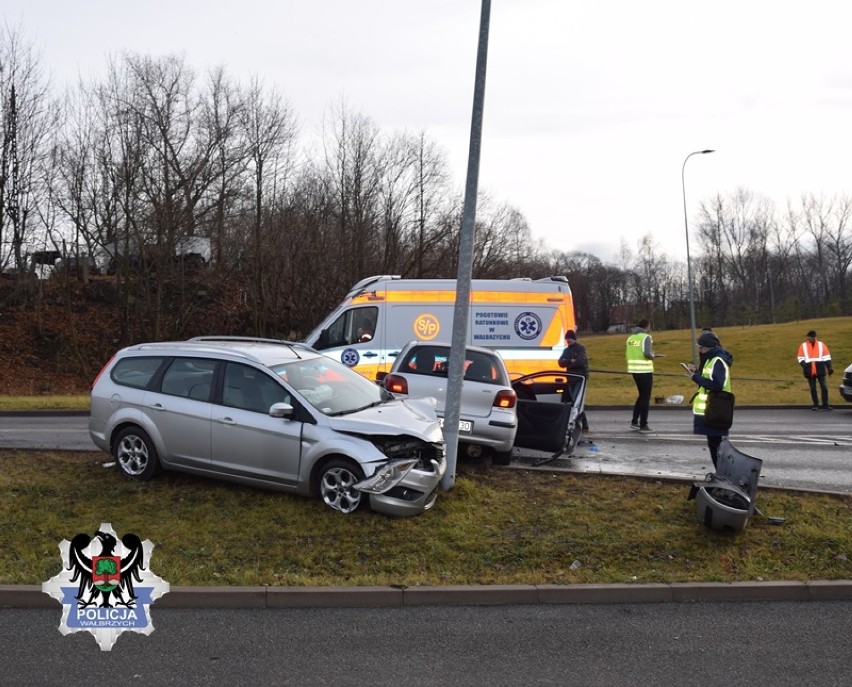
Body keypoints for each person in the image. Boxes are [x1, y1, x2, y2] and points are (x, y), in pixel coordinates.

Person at [685, 330, 734, 469]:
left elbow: (717, 385)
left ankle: (723, 478)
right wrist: (696, 373)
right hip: (713, 409)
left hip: (716, 409)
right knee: (715, 446)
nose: (699, 350)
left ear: (708, 347)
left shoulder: (717, 361)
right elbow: (709, 379)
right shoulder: (711, 360)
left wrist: (696, 378)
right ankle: (721, 476)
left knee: (717, 448)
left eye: (701, 347)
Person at [625, 318, 660, 432]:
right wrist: (653, 356)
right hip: (644, 370)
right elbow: (647, 353)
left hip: (634, 370)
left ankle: (634, 421)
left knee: (641, 396)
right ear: (647, 326)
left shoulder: (630, 338)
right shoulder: (646, 337)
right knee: (645, 397)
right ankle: (643, 424)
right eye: (650, 326)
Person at [558, 329, 589, 431]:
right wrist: (571, 361)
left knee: (576, 401)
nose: (568, 340)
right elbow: (560, 363)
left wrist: (567, 362)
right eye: (567, 338)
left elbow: (580, 362)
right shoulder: (566, 350)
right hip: (570, 379)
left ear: (574, 338)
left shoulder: (580, 348)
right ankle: (583, 424)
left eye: (570, 338)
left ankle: (580, 424)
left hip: (580, 378)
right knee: (575, 402)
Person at [797, 329, 834, 410]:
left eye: (814, 337)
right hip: (809, 368)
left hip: (820, 368)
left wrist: (829, 368)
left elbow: (827, 357)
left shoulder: (821, 345)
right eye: (811, 337)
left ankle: (825, 404)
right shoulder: (803, 346)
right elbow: (800, 358)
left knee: (824, 387)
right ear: (808, 337)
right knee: (813, 388)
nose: (813, 338)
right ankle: (816, 405)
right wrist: (805, 367)